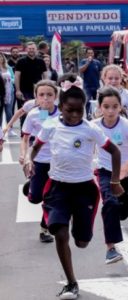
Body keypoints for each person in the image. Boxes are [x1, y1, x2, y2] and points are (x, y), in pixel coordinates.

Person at [27, 85, 123, 299]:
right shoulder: (51, 126)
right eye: (70, 110)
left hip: (84, 189)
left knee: (81, 242)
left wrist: (115, 181)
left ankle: (79, 227)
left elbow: (115, 151)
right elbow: (36, 145)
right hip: (57, 188)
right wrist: (28, 160)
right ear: (60, 107)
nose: (74, 115)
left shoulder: (90, 129)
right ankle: (71, 283)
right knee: (60, 234)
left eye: (79, 111)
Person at [93, 87, 128, 264]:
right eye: (106, 106)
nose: (110, 111)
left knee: (122, 212)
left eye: (114, 106)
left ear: (120, 108)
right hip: (105, 171)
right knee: (109, 203)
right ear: (100, 107)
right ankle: (110, 249)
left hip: (127, 174)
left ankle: (119, 213)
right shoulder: (94, 126)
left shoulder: (127, 126)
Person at [20, 80, 60, 243]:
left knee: (52, 198)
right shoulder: (33, 115)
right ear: (36, 97)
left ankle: (45, 229)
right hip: (39, 161)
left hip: (58, 163)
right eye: (41, 95)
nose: (46, 98)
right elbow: (25, 138)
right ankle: (31, 186)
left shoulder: (63, 114)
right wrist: (25, 157)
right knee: (35, 198)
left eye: (49, 95)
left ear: (56, 96)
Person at [100, 65, 128, 130]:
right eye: (110, 78)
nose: (113, 81)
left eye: (116, 78)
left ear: (121, 79)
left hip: (127, 135)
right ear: (104, 79)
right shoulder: (100, 95)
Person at [14, 42, 47, 116]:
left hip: (39, 90)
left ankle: (44, 125)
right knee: (25, 111)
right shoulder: (20, 61)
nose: (31, 50)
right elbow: (17, 76)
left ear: (36, 49)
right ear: (26, 49)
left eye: (33, 48)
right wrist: (18, 90)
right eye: (29, 49)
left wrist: (46, 88)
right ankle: (24, 127)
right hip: (24, 90)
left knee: (43, 108)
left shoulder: (41, 61)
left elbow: (45, 76)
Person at [78, 48, 103, 118]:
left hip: (96, 86)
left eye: (91, 53)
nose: (90, 55)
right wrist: (88, 63)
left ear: (93, 54)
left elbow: (101, 73)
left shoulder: (97, 62)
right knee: (87, 101)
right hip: (87, 86)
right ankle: (88, 116)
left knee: (97, 102)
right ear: (86, 54)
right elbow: (81, 70)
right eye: (88, 53)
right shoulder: (83, 61)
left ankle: (96, 115)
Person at [0, 53, 15, 136]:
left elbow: (13, 78)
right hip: (0, 93)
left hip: (10, 92)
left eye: (1, 57)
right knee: (0, 111)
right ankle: (0, 129)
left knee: (9, 111)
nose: (0, 59)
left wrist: (9, 79)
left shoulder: (8, 67)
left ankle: (10, 129)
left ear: (3, 58)